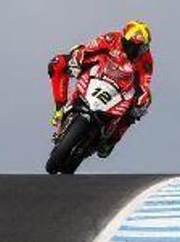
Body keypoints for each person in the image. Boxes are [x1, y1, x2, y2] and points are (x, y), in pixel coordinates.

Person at [47, 20, 154, 158]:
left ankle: (111, 140)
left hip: (120, 89)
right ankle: (60, 108)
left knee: (142, 103)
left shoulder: (145, 59)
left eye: (140, 48)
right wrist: (77, 58)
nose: (135, 51)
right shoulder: (111, 38)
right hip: (99, 72)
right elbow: (89, 48)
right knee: (58, 62)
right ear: (124, 39)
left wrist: (141, 99)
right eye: (132, 46)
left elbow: (144, 82)